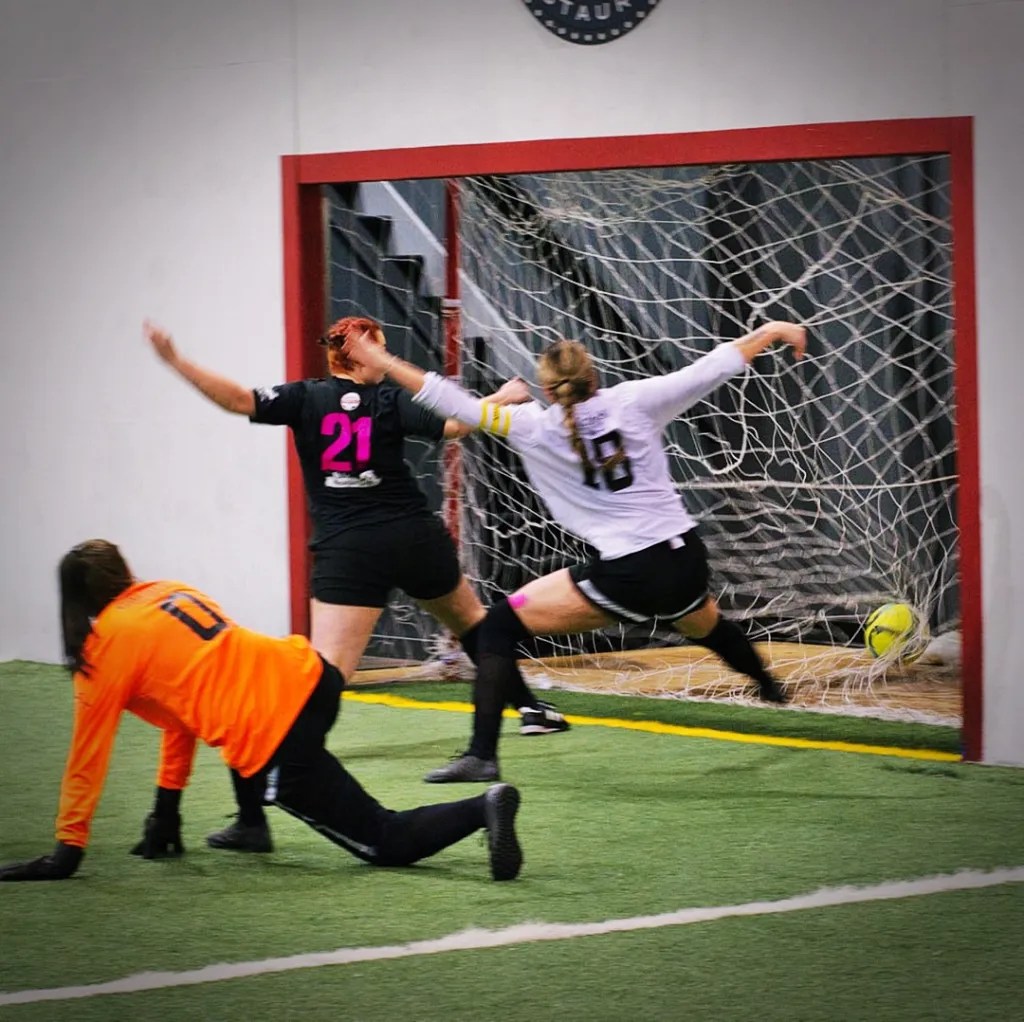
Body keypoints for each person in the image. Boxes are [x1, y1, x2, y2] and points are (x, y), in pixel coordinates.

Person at [143, 315, 567, 848]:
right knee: (476, 625)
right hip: (414, 535)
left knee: (323, 677)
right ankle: (530, 710)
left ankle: (266, 800)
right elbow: (458, 425)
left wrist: (176, 361)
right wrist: (502, 397)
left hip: (351, 551)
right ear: (364, 356)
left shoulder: (304, 397)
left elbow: (236, 400)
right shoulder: (390, 400)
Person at [341, 320, 807, 782]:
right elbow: (712, 367)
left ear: (547, 389)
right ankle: (771, 689)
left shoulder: (529, 426)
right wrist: (769, 331)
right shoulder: (635, 400)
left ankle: (482, 755)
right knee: (705, 625)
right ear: (593, 376)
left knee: (497, 626)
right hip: (685, 558)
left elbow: (450, 400)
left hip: (630, 573)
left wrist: (383, 360)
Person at [0, 540, 523, 883]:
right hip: (311, 675)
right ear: (124, 572)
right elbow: (186, 708)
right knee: (229, 711)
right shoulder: (168, 592)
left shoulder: (105, 647)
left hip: (276, 729)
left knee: (384, 840)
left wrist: (68, 848)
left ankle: (481, 808)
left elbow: (86, 756)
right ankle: (251, 823)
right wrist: (166, 809)